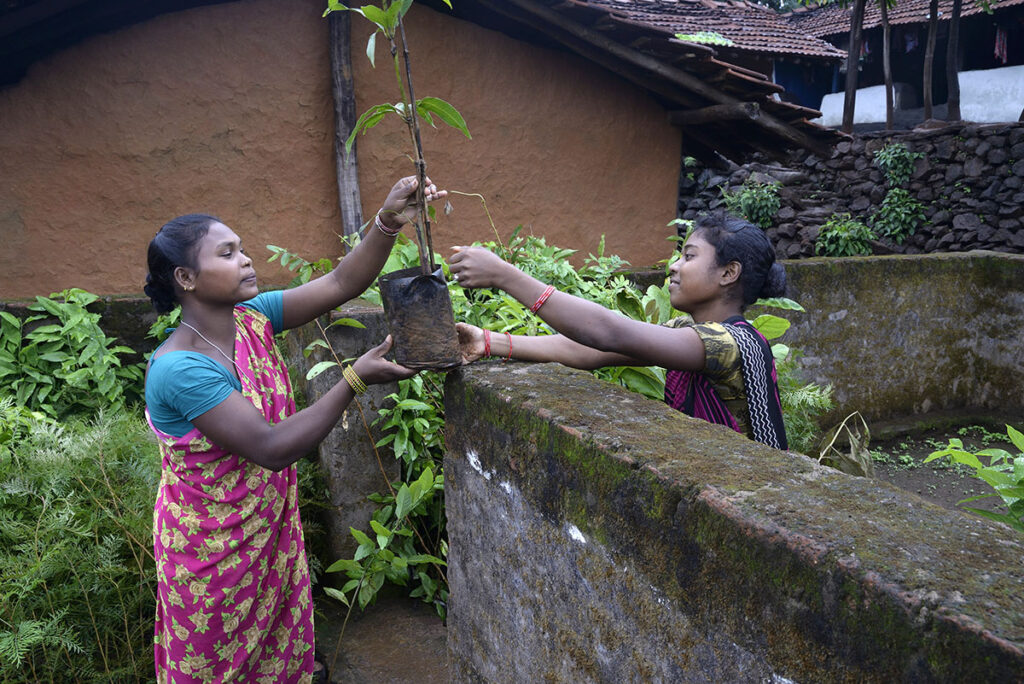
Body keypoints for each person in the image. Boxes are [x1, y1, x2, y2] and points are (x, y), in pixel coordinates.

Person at [142, 176, 444, 683]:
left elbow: (342, 284)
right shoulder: (181, 368)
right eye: (228, 253)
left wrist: (389, 221)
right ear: (186, 278)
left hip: (268, 531)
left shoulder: (251, 319)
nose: (246, 259)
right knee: (216, 664)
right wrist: (354, 376)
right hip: (213, 555)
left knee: (277, 651)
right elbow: (271, 447)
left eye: (243, 249)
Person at [448, 212, 788, 450]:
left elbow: (609, 332)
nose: (674, 266)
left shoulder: (728, 343)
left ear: (729, 273)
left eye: (689, 256)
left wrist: (506, 276)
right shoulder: (689, 331)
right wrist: (487, 341)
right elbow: (591, 351)